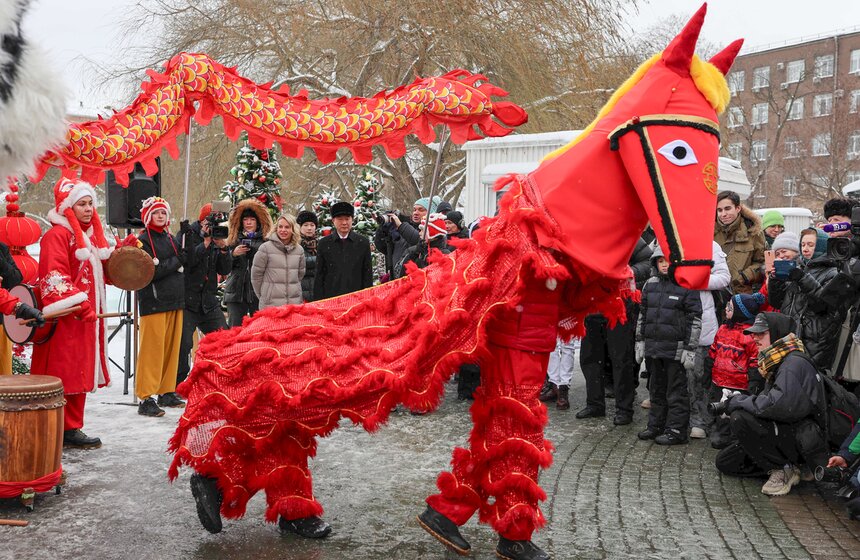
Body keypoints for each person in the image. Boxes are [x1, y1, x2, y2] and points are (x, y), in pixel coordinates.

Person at [31, 178, 113, 449]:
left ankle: (72, 427)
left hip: (84, 317)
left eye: (91, 203)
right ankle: (56, 426)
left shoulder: (87, 238)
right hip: (65, 318)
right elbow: (53, 277)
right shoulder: (57, 235)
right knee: (62, 371)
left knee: (79, 370)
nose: (89, 209)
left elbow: (99, 273)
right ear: (68, 207)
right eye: (82, 204)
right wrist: (79, 304)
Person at [715, 312, 830, 496]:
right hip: (790, 430)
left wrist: (738, 402)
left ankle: (783, 468)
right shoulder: (777, 359)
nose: (755, 338)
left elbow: (777, 406)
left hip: (802, 437)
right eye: (754, 333)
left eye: (761, 333)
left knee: (740, 418)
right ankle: (787, 466)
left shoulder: (792, 363)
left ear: (777, 333)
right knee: (725, 462)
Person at [574, 237, 652, 423]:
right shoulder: (584, 234)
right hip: (592, 305)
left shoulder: (624, 232)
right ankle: (594, 404)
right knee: (590, 357)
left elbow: (648, 261)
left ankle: (624, 409)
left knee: (621, 359)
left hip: (620, 306)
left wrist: (629, 271)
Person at [635, 245, 702, 445]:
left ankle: (676, 429)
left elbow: (695, 319)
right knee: (656, 389)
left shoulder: (687, 285)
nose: (664, 265)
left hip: (676, 349)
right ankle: (655, 425)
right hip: (654, 348)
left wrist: (690, 349)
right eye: (660, 261)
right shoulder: (649, 284)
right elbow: (643, 315)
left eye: (668, 260)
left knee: (676, 392)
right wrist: (640, 341)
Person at [766, 231, 850, 370]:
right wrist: (775, 280)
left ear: (822, 247)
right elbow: (777, 302)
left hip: (815, 341)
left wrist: (802, 278)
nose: (805, 249)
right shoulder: (797, 268)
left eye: (811, 245)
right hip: (791, 337)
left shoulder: (833, 273)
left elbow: (823, 306)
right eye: (803, 244)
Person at [135, 197, 186, 417]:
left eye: (164, 213)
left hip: (175, 299)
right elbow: (150, 271)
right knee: (152, 350)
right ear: (148, 216)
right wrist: (177, 262)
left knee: (170, 349)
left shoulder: (171, 238)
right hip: (154, 302)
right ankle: (146, 396)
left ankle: (166, 390)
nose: (161, 216)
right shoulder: (142, 241)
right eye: (156, 213)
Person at [176, 203, 232, 386]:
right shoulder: (187, 234)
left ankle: (221, 379)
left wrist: (224, 249)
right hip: (188, 300)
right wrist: (206, 243)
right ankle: (177, 384)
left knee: (224, 339)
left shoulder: (219, 235)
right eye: (209, 220)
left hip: (208, 301)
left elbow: (225, 269)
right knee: (184, 345)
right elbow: (188, 262)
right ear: (201, 220)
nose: (211, 225)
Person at [706, 293, 764, 449]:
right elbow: (714, 350)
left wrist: (753, 381)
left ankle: (734, 438)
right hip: (719, 379)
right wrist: (709, 366)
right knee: (720, 410)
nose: (726, 309)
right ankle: (722, 435)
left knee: (734, 411)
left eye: (730, 307)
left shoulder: (749, 335)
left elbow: (754, 361)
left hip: (738, 384)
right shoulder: (723, 328)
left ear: (740, 312)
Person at [689, 242, 731, 439]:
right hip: (673, 317)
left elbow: (724, 277)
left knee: (700, 376)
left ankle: (701, 420)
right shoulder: (668, 240)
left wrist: (698, 280)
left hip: (702, 319)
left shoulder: (710, 245)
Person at [224, 199, 273, 326]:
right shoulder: (232, 240)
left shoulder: (266, 241)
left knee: (259, 329)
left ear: (258, 222)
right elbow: (223, 267)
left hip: (258, 293)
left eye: (252, 219)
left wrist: (257, 251)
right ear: (241, 222)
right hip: (236, 292)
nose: (249, 222)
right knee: (235, 330)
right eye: (246, 220)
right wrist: (233, 254)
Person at [313, 201, 372, 300]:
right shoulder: (324, 243)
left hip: (356, 299)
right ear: (333, 221)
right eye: (340, 219)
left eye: (347, 219)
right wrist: (319, 301)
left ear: (352, 220)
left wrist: (366, 299)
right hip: (331, 299)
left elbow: (367, 274)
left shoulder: (362, 242)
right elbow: (319, 275)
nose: (344, 223)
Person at [714, 190, 766, 294]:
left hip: (742, 295)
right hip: (715, 293)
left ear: (738, 208)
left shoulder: (753, 232)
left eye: (727, 209)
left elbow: (762, 263)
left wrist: (746, 276)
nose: (723, 214)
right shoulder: (709, 232)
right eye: (719, 210)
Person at [251, 214, 306, 310]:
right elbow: (256, 276)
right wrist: (264, 296)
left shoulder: (299, 250)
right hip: (271, 306)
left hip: (294, 305)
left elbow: (300, 275)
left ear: (293, 229)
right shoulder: (265, 248)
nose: (283, 230)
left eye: (287, 227)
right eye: (280, 226)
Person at [297, 210, 318, 302]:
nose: (309, 228)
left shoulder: (321, 245)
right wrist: (318, 261)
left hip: (318, 292)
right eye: (305, 225)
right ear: (299, 227)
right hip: (301, 294)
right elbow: (298, 264)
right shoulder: (295, 244)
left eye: (312, 225)